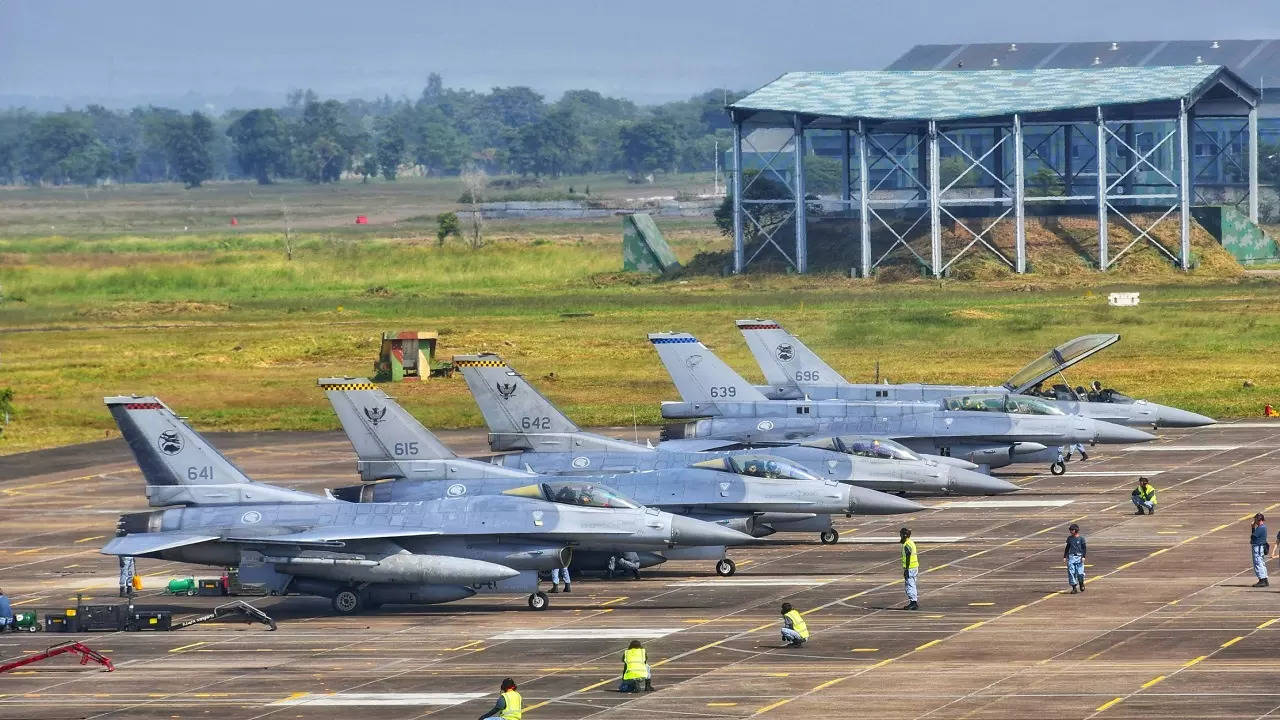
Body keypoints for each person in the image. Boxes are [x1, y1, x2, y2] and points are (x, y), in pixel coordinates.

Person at [1064, 523, 1087, 593]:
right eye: (1070, 530)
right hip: (1071, 556)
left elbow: (1084, 548)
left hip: (1079, 556)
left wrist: (1083, 556)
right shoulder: (1069, 538)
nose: (1070, 531)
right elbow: (1067, 547)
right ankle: (1074, 587)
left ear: (1075, 530)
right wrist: (1065, 556)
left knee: (1080, 572)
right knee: (1071, 572)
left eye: (1072, 530)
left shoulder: (1081, 538)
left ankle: (1081, 583)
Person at [900, 527, 919, 610]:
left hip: (910, 568)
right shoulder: (911, 542)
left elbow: (908, 556)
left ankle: (913, 602)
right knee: (912, 584)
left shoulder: (907, 544)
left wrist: (907, 569)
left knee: (910, 584)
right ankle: (913, 602)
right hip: (914, 567)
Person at [1253, 513, 1270, 587]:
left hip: (1258, 547)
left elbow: (1253, 537)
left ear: (1258, 519)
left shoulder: (1260, 528)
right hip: (1260, 547)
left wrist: (1253, 528)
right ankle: (1265, 579)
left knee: (1258, 563)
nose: (1254, 521)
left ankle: (1262, 580)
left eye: (1255, 519)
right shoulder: (1263, 527)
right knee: (1261, 563)